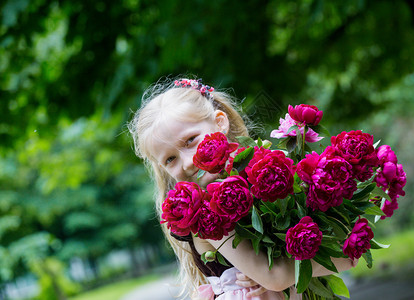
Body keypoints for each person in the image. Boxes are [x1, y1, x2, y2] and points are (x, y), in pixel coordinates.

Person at [128, 77, 357, 299]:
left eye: (190, 140)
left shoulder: (269, 179)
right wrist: (301, 268)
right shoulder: (205, 215)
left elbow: (350, 253)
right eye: (170, 159)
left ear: (220, 122)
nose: (186, 162)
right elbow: (276, 278)